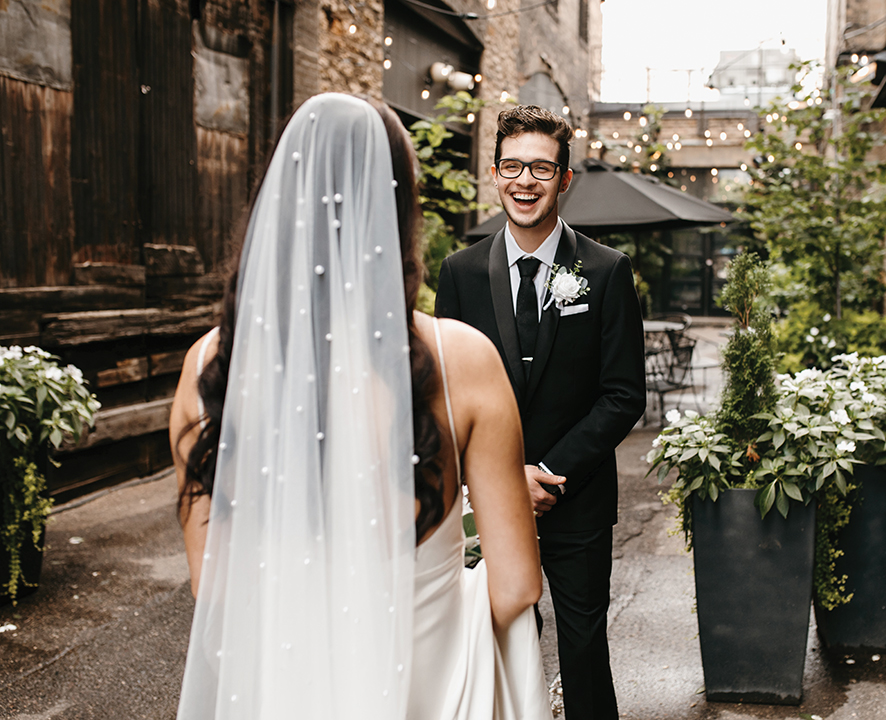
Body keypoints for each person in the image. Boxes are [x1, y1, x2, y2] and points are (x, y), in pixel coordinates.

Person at [169, 93, 553, 719]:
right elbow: (516, 587)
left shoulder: (212, 364)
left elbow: (212, 586)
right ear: (399, 210)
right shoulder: (462, 360)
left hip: (284, 689)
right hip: (423, 688)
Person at [434, 105, 647, 720]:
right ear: (495, 174)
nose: (525, 181)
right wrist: (495, 480)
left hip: (574, 499)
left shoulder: (606, 271)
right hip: (485, 504)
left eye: (541, 168)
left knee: (584, 649)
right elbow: (448, 392)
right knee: (500, 645)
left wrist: (547, 472)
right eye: (512, 166)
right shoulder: (460, 272)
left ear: (565, 179)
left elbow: (622, 395)